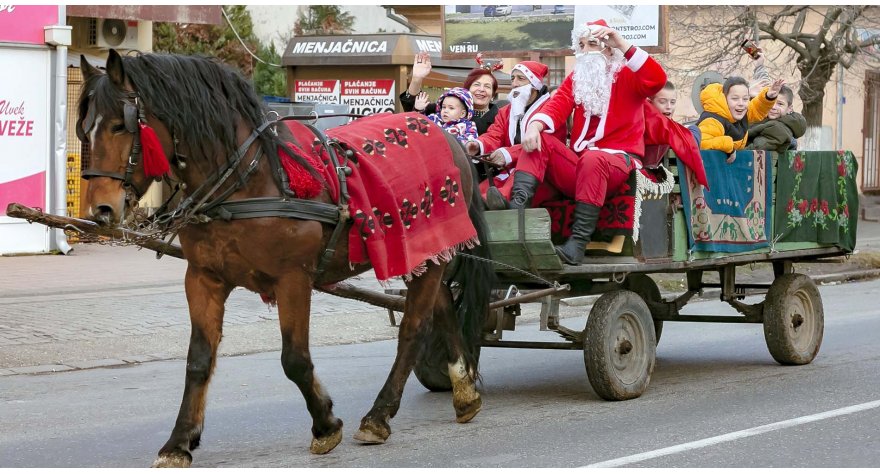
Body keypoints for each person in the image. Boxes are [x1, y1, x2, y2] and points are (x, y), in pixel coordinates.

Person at [496, 20, 668, 264]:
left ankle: (577, 244)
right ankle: (518, 204)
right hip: (580, 166)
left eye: (592, 44)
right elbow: (558, 104)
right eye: (581, 45)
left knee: (593, 158)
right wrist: (535, 126)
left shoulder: (627, 74)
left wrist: (620, 42)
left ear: (608, 49)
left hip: (617, 162)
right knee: (543, 140)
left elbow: (657, 79)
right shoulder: (579, 78)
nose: (585, 50)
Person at [462, 61, 566, 208]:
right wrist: (478, 145)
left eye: (520, 79)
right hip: (508, 172)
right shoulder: (506, 111)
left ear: (535, 84)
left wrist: (508, 154)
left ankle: (489, 204)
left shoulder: (551, 110)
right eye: (512, 79)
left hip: (543, 175)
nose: (515, 84)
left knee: (503, 189)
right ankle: (477, 204)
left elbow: (546, 143)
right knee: (478, 192)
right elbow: (494, 135)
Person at [400, 51, 501, 135]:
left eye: (487, 86)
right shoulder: (443, 109)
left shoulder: (501, 119)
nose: (481, 89)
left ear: (492, 94)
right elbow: (414, 111)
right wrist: (416, 80)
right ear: (466, 90)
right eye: (476, 85)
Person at [697, 76, 784, 161]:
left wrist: (768, 97)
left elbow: (756, 109)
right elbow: (700, 143)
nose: (741, 103)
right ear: (724, 99)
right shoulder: (713, 120)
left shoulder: (737, 114)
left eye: (745, 99)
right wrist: (729, 147)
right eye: (735, 99)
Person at [745, 85, 806, 155]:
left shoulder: (780, 129)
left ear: (789, 108)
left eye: (780, 104)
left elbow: (756, 148)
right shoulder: (762, 119)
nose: (773, 107)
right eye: (771, 102)